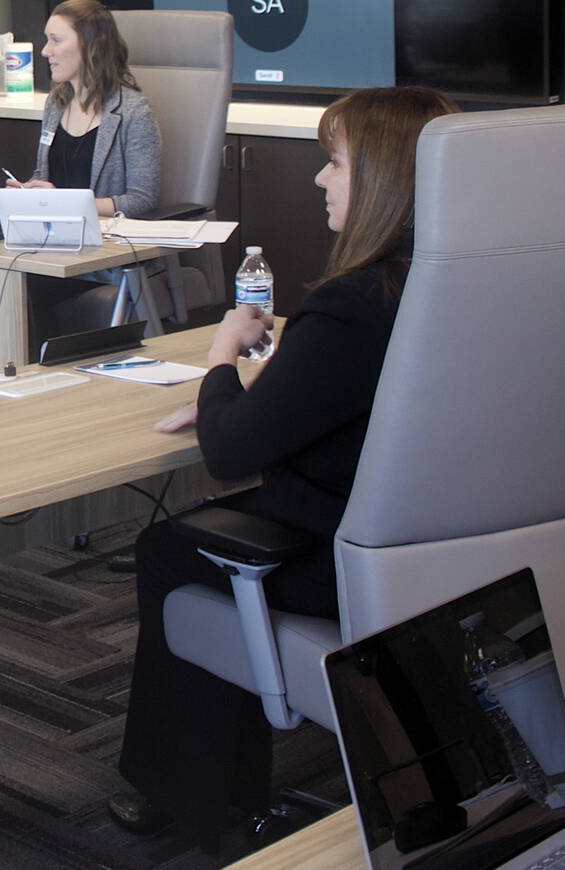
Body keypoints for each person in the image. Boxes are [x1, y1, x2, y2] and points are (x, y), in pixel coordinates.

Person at [107, 85, 460, 846]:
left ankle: (198, 797)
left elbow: (231, 453)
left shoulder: (351, 307)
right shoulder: (448, 286)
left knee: (171, 547)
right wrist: (277, 377)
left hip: (339, 554)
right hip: (444, 551)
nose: (319, 180)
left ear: (384, 181)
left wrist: (222, 356)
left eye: (333, 163)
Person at [18, 0, 158, 218]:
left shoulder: (134, 112)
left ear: (89, 44)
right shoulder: (55, 104)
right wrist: (26, 190)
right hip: (53, 231)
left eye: (56, 40)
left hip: (107, 240)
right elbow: (43, 174)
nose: (45, 51)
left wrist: (64, 203)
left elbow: (141, 200)